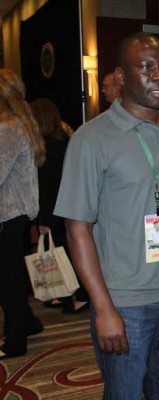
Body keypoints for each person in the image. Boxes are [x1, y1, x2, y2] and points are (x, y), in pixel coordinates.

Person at [54, 32, 159, 399]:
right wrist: (103, 307)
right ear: (121, 77)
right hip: (124, 303)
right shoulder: (91, 140)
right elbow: (77, 229)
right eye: (147, 67)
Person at [0, 68, 45, 359]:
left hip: (8, 213)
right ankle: (28, 323)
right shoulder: (22, 123)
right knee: (12, 274)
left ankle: (16, 340)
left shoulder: (9, 127)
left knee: (8, 279)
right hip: (16, 212)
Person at [30, 98, 89, 314]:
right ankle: (66, 294)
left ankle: (79, 294)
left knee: (65, 253)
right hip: (67, 205)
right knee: (65, 252)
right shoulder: (66, 139)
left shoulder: (48, 147)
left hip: (55, 208)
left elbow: (47, 187)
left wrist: (43, 219)